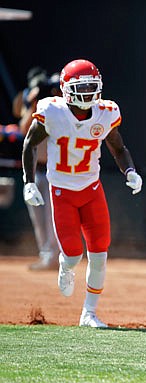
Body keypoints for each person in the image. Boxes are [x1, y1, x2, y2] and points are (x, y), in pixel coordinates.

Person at [22, 59, 143, 328]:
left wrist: (130, 171)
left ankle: (88, 313)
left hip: (91, 189)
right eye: (81, 87)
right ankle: (66, 266)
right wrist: (28, 182)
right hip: (62, 191)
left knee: (100, 253)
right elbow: (30, 143)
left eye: (91, 86)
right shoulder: (52, 112)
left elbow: (118, 148)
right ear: (66, 89)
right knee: (74, 254)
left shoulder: (105, 112)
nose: (88, 93)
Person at [16, 70, 62, 270]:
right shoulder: (35, 106)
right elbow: (24, 128)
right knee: (38, 217)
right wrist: (34, 102)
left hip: (55, 170)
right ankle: (46, 254)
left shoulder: (58, 107)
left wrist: (53, 94)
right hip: (36, 170)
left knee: (54, 217)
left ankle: (56, 256)